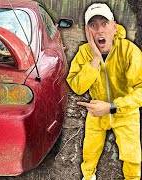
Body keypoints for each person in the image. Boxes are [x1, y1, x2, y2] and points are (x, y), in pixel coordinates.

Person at [66, 3, 142, 180]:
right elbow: (76, 86)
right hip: (96, 112)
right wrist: (94, 60)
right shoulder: (84, 53)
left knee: (133, 159)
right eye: (93, 25)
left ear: (114, 26)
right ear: (87, 30)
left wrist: (112, 107)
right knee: (89, 153)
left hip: (125, 113)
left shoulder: (130, 51)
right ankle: (89, 177)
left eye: (104, 23)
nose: (99, 30)